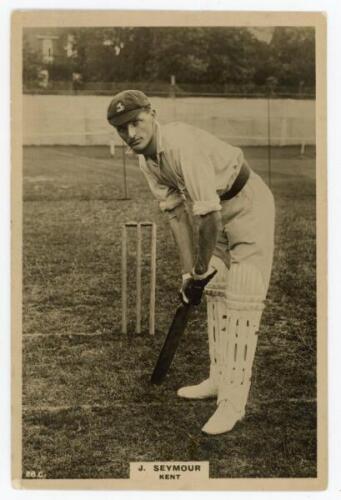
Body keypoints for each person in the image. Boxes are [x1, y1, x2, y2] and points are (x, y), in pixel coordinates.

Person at [107, 90, 275, 435]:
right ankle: (218, 378)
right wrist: (190, 273)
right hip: (216, 214)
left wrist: (200, 269)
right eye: (122, 128)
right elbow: (177, 216)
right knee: (214, 291)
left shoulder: (181, 144)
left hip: (247, 207)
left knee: (242, 300)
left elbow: (209, 217)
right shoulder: (146, 161)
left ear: (153, 114)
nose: (131, 134)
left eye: (136, 122)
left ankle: (232, 404)